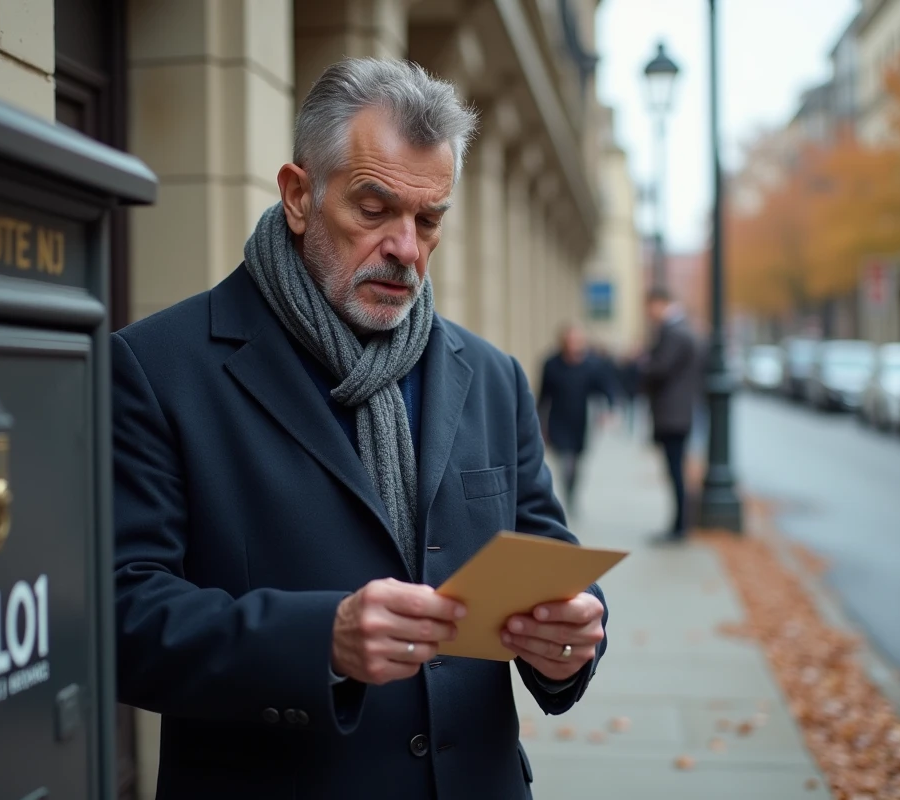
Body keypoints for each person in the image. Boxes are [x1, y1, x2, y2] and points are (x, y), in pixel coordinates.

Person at [111, 58, 609, 800]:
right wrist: (323, 641)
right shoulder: (157, 368)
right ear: (299, 195)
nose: (406, 248)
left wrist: (570, 635)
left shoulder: (492, 376)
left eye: (428, 220)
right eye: (374, 210)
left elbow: (549, 559)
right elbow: (121, 616)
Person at [639, 287, 702, 543]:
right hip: (677, 413)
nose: (647, 313)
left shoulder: (673, 332)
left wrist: (643, 365)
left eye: (649, 307)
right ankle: (679, 525)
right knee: (676, 470)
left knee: (675, 471)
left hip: (673, 414)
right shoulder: (681, 329)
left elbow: (659, 368)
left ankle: (680, 527)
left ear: (659, 303)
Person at [537, 325, 616, 513]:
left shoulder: (592, 365)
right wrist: (538, 421)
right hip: (558, 419)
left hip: (581, 420)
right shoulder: (551, 364)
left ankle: (572, 492)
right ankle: (567, 491)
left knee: (577, 461)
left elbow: (606, 387)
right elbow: (543, 395)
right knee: (565, 459)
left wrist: (610, 409)